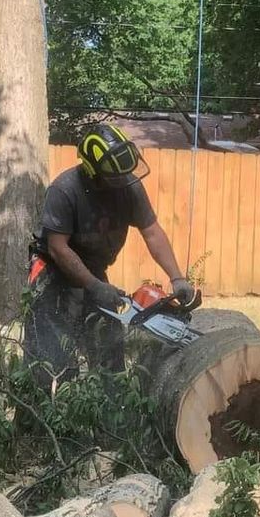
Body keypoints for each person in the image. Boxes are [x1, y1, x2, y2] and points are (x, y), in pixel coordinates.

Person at [24, 124, 198, 376]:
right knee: (51, 356)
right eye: (113, 176)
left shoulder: (129, 186)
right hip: (53, 269)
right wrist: (94, 287)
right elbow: (58, 248)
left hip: (93, 268)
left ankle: (106, 401)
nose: (121, 180)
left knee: (108, 344)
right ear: (93, 172)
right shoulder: (65, 189)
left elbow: (152, 232)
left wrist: (177, 277)